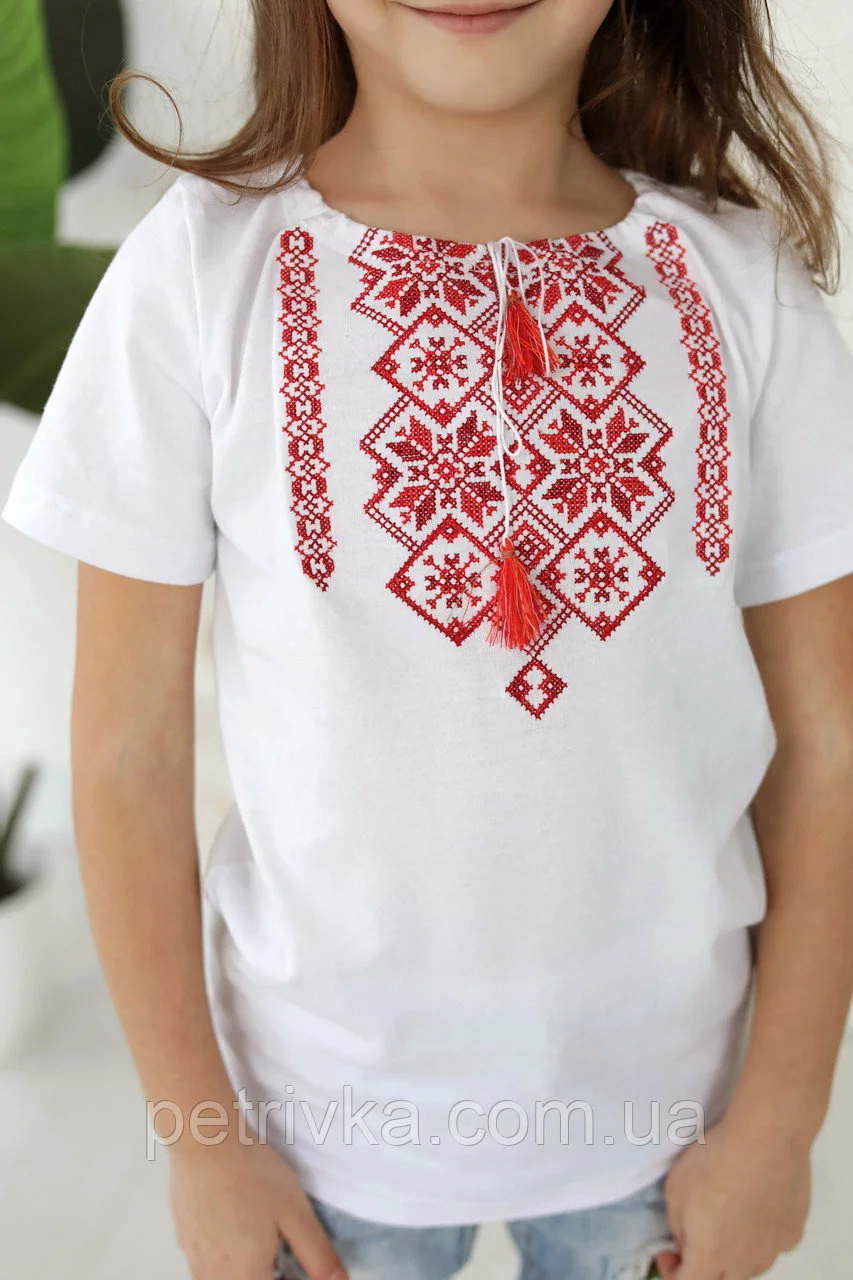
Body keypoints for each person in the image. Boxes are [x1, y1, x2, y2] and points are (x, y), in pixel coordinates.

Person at [3, 0, 853, 1277]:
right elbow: (128, 754)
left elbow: (829, 752)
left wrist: (781, 1120)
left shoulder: (744, 285)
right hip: (313, 1132)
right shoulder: (195, 275)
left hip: (668, 1125)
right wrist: (201, 1136)